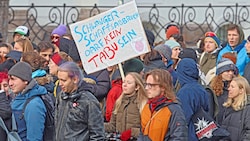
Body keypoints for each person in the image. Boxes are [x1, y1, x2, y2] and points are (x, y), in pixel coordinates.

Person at [55, 61, 105, 140]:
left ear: (75, 79)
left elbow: (98, 135)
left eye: (63, 80)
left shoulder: (89, 101)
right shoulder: (61, 97)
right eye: (59, 79)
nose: (60, 83)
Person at [138, 69, 188, 141]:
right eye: (146, 84)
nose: (146, 88)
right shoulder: (147, 107)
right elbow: (141, 133)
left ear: (163, 87)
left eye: (151, 85)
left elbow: (179, 137)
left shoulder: (174, 110)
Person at [8, 62, 47, 140]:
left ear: (25, 81)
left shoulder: (34, 104)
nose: (10, 83)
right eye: (9, 79)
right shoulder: (16, 98)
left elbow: (35, 138)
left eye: (13, 79)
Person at [105, 72, 148, 140]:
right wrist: (97, 124)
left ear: (137, 87)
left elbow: (147, 130)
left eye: (129, 83)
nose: (124, 85)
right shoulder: (119, 102)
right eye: (124, 82)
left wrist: (131, 132)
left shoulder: (143, 104)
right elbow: (112, 126)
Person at [176, 58, 209, 141]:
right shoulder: (201, 88)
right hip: (202, 131)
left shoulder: (184, 92)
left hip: (190, 134)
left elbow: (183, 118)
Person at [210, 58, 237, 125]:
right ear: (220, 72)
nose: (231, 73)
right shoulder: (212, 89)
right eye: (227, 71)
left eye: (232, 71)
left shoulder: (236, 87)